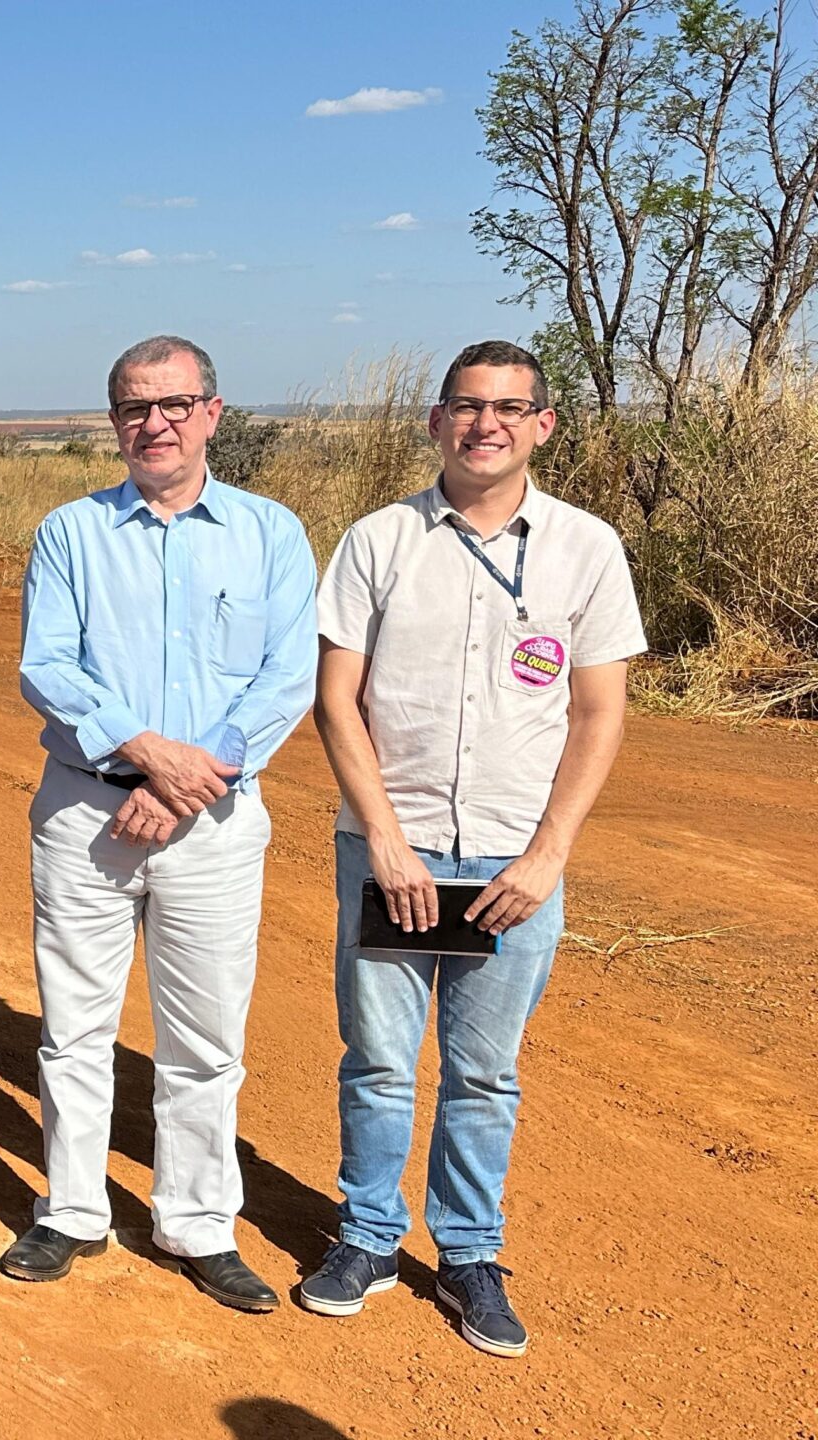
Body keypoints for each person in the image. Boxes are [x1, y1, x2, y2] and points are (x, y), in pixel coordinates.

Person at [295, 340, 643, 1358]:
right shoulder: (379, 542)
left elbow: (596, 715)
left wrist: (544, 857)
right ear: (436, 421)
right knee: (378, 1063)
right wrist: (389, 844)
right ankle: (361, 1237)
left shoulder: (586, 549)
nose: (483, 423)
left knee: (484, 1075)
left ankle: (468, 1255)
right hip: (388, 855)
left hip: (509, 864)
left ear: (541, 424)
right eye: (464, 405)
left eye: (507, 407)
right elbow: (336, 700)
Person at [2, 335, 316, 1313]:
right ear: (114, 423)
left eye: (174, 404)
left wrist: (184, 780)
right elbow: (45, 668)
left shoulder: (270, 534)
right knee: (73, 1028)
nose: (156, 423)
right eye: (136, 407)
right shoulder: (70, 533)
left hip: (213, 823)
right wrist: (147, 751)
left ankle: (196, 1222)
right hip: (86, 815)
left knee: (204, 1036)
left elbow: (286, 678)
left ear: (212, 413)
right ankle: (71, 1209)